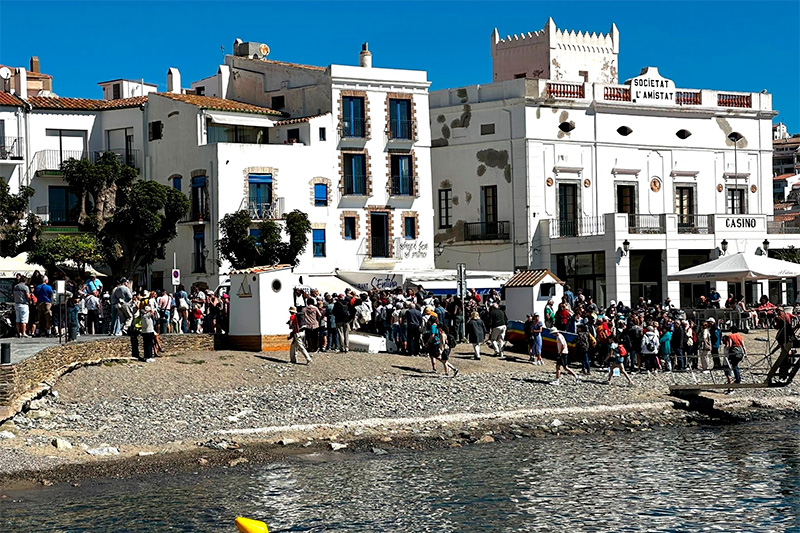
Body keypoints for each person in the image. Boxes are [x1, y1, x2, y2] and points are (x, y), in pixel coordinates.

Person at [724, 325, 746, 393]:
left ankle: (737, 379)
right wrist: (745, 353)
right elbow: (743, 345)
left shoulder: (731, 336)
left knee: (734, 366)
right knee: (735, 365)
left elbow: (730, 345)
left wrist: (727, 349)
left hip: (733, 352)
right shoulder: (740, 336)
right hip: (739, 352)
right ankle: (738, 378)